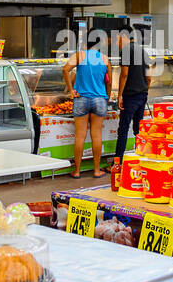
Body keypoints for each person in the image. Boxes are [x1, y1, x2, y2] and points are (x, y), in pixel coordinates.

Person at [62, 37, 110, 177]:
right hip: (99, 99)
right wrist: (106, 98)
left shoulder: (80, 55)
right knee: (96, 136)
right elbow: (109, 82)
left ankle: (76, 171)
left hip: (81, 99)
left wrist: (71, 90)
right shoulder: (105, 58)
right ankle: (96, 170)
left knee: (80, 136)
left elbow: (65, 70)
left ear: (84, 44)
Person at [113, 23, 150, 164]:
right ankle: (140, 159)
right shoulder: (142, 51)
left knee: (123, 130)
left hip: (130, 96)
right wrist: (145, 90)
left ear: (123, 36)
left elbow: (124, 74)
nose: (117, 42)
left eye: (117, 39)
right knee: (138, 130)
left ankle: (118, 163)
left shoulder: (127, 51)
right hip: (142, 96)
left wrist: (119, 95)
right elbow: (149, 76)